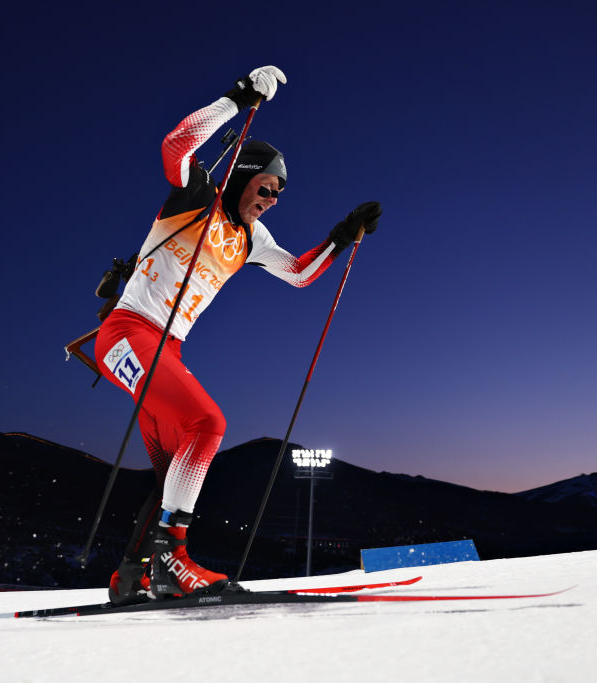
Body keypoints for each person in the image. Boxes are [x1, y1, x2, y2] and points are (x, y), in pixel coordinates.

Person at [93, 66, 381, 603]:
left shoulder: (252, 237)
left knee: (174, 471)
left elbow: (298, 272)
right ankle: (172, 563)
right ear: (246, 172)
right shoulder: (197, 194)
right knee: (207, 423)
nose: (272, 199)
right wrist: (237, 97)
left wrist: (342, 236)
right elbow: (176, 144)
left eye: (279, 196)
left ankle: (131, 575)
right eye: (267, 187)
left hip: (167, 346)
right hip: (127, 332)